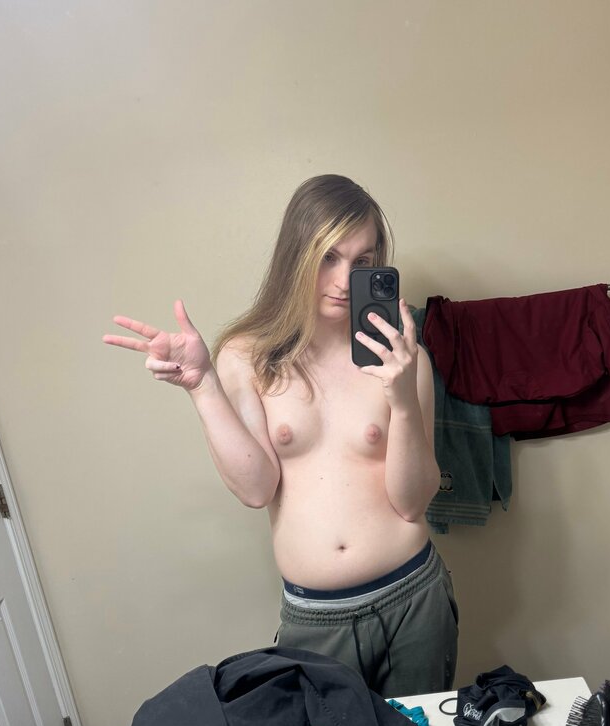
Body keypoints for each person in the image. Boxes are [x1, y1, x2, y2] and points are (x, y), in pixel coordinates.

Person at [103, 175, 458, 695]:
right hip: (316, 619)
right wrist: (202, 386)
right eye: (328, 257)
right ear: (297, 255)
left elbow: (412, 502)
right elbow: (256, 489)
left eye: (361, 260)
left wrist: (402, 399)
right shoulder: (245, 356)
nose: (343, 280)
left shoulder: (405, 360)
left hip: (415, 600)